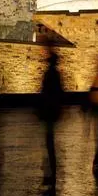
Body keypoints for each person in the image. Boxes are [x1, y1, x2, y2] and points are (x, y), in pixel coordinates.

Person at [38, 52, 64, 186]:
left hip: (49, 109)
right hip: (52, 109)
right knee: (49, 140)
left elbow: (46, 91)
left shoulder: (50, 74)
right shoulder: (55, 74)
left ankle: (51, 171)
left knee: (49, 140)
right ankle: (51, 169)